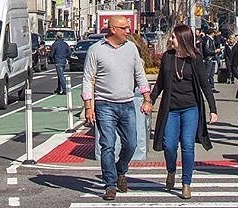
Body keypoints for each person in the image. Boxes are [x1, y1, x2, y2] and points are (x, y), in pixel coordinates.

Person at [82, 15, 152, 201]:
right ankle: (110, 184)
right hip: (104, 104)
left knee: (131, 144)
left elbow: (140, 74)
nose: (128, 31)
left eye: (128, 28)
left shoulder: (131, 49)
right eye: (124, 28)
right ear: (113, 29)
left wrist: (147, 99)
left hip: (127, 103)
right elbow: (88, 79)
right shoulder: (95, 50)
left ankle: (121, 170)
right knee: (107, 145)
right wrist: (89, 106)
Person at [150, 24, 217, 201]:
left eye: (173, 37)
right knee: (169, 145)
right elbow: (160, 83)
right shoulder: (167, 57)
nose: (170, 40)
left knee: (187, 144)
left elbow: (205, 85)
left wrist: (213, 109)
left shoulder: (195, 59)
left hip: (190, 108)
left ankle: (186, 183)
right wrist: (150, 100)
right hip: (170, 109)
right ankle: (171, 170)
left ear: (182, 39)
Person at [200, 27, 218, 93]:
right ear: (212, 33)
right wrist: (215, 51)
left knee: (211, 74)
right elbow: (206, 50)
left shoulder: (211, 39)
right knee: (207, 73)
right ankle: (205, 87)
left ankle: (211, 87)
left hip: (212, 58)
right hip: (209, 58)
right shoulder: (207, 39)